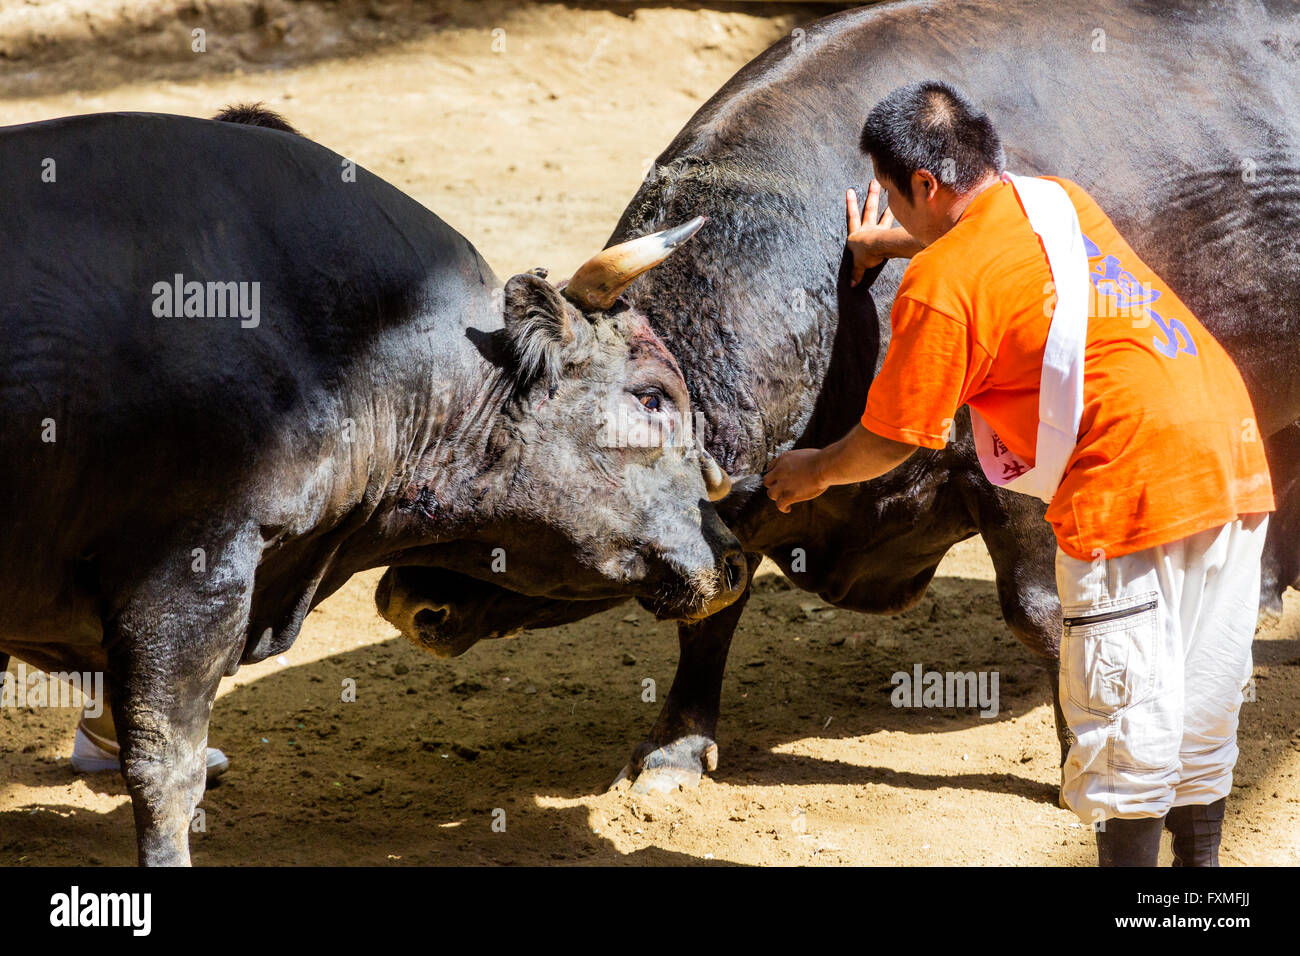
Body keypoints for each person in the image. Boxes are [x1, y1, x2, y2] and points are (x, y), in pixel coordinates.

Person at [763, 80, 1275, 866]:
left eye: (897, 204)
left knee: (1125, 735)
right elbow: (1011, 254)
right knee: (1203, 707)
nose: (895, 218)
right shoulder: (1057, 199)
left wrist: (814, 471)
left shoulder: (940, 289)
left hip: (1127, 480)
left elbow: (894, 438)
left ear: (925, 185)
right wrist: (897, 244)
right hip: (1229, 454)